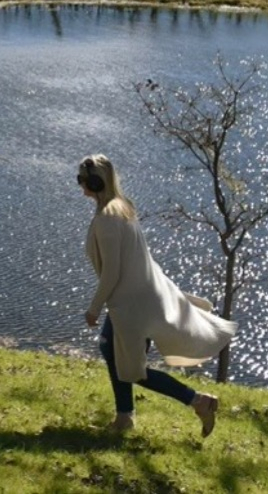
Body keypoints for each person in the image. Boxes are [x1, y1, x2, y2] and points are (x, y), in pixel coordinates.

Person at [77, 153, 236, 437]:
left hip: (132, 305)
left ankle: (198, 401)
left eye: (84, 180)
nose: (81, 185)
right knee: (113, 352)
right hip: (137, 299)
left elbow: (111, 271)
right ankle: (125, 417)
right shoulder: (122, 208)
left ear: (97, 182)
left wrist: (93, 308)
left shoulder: (108, 218)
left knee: (133, 370)